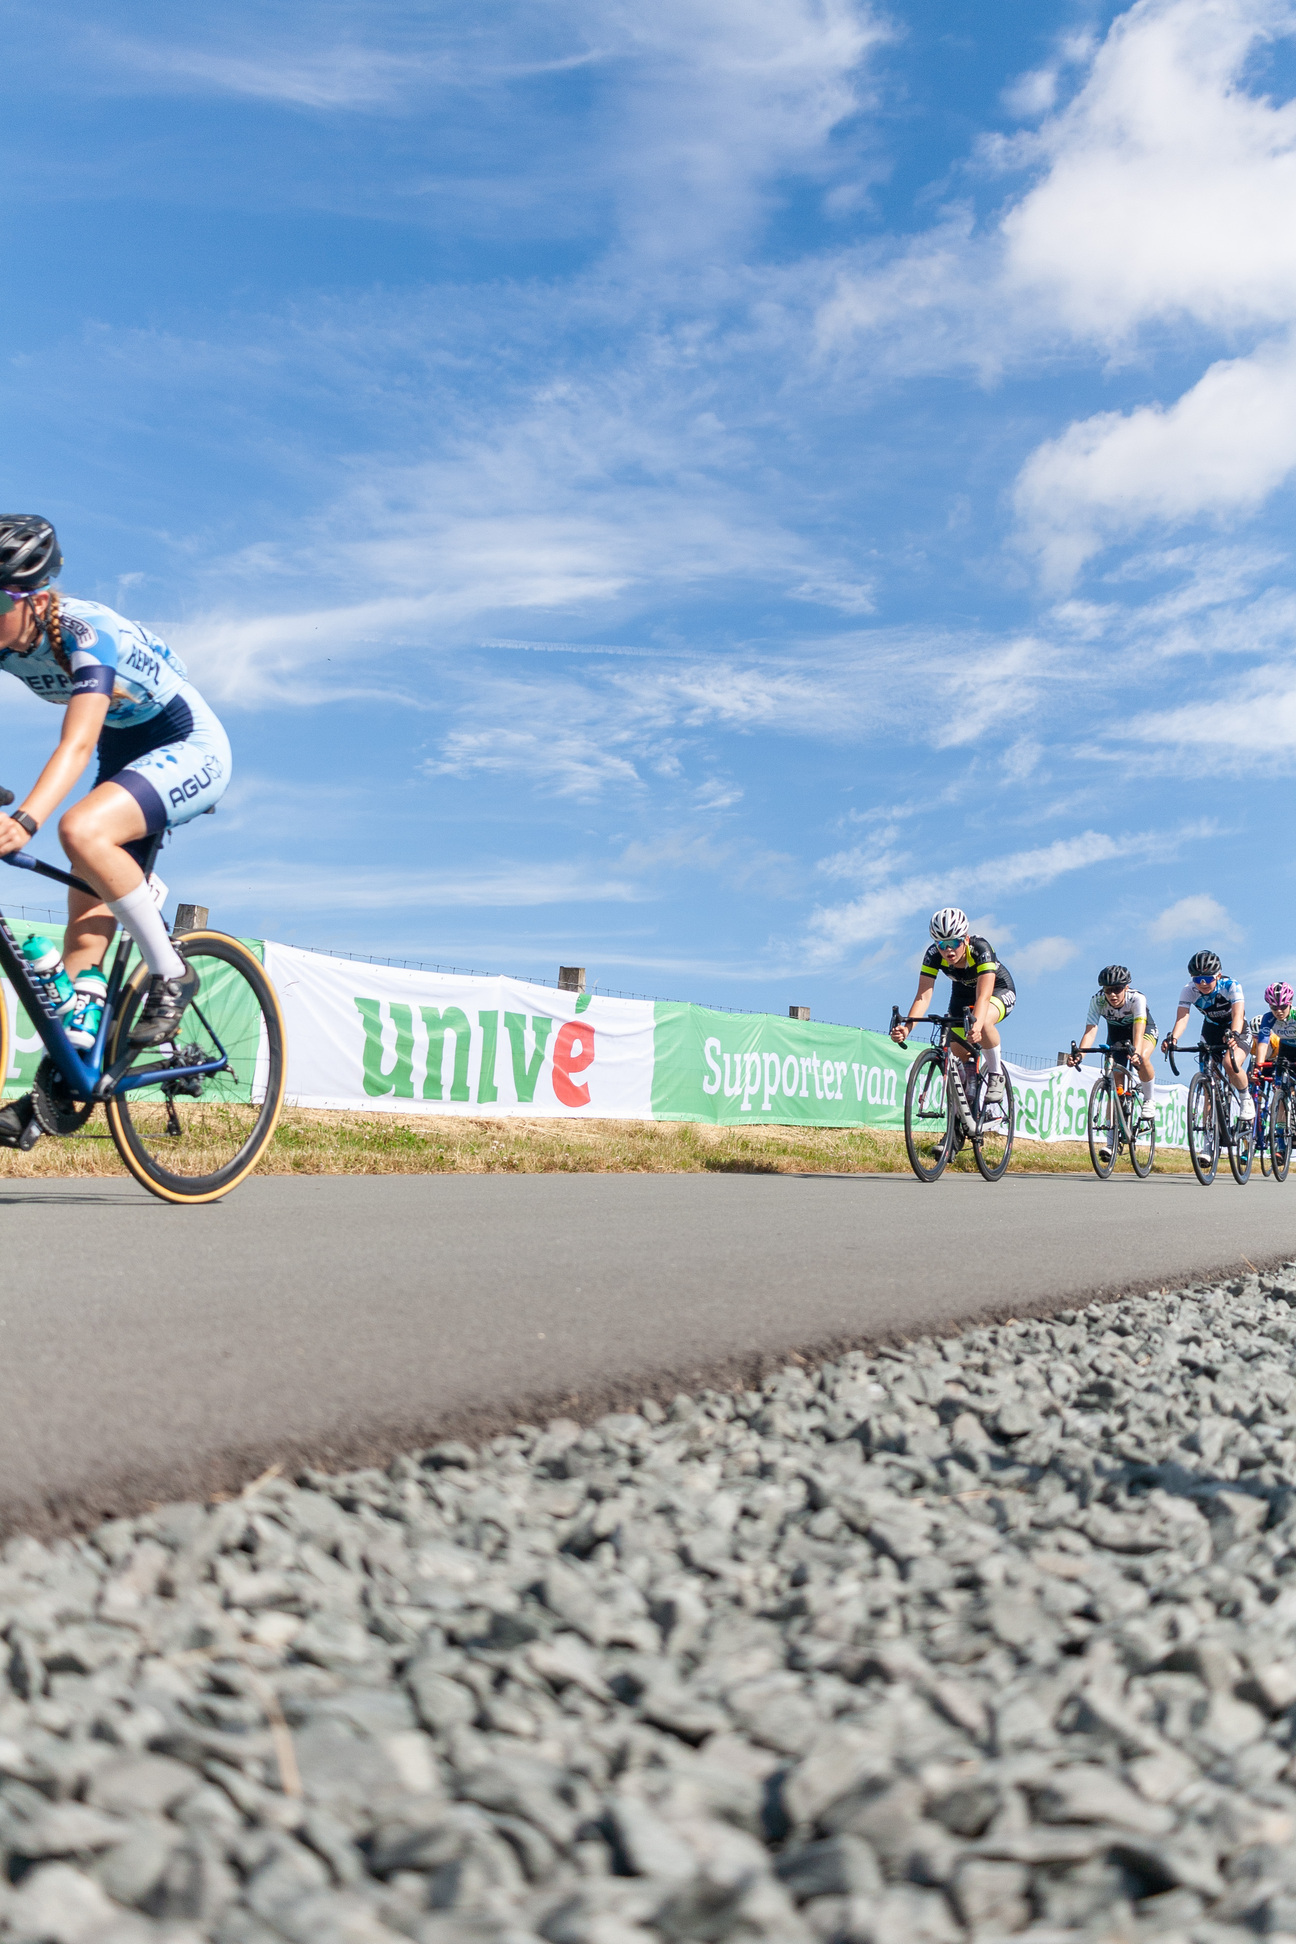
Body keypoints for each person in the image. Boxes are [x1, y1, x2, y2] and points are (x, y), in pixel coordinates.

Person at [0, 515, 231, 1147]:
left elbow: (75, 744)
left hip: (187, 743)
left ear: (36, 597)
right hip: (122, 756)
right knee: (81, 956)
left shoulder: (86, 630)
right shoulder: (5, 639)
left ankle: (172, 970)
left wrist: (24, 819)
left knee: (78, 828)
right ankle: (59, 1095)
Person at [891, 906, 1016, 1104]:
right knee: (959, 1050)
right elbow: (923, 995)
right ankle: (962, 1122)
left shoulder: (980, 948)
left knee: (983, 1024)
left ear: (965, 939)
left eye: (954, 942)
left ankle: (995, 1074)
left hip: (996, 989)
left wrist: (976, 1025)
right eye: (942, 943)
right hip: (962, 993)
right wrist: (907, 1028)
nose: (948, 950)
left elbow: (983, 997)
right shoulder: (932, 955)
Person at [1162, 949, 1253, 1121]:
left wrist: (1234, 1034)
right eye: (1197, 979)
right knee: (1207, 1082)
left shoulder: (1231, 985)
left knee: (1229, 1063)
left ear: (1218, 975)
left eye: (1208, 978)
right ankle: (1207, 1140)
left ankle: (1245, 1098)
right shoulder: (1188, 990)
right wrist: (1173, 1038)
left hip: (1236, 1027)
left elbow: (1238, 1015)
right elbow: (1182, 1018)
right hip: (1211, 1030)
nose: (1203, 983)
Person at [1066, 965, 1157, 1123]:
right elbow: (1091, 1031)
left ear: (1126, 988)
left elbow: (1139, 1028)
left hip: (1142, 1029)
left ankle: (1149, 1099)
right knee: (1116, 1084)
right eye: (1108, 990)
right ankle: (1111, 1142)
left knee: (1142, 1057)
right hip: (1117, 1034)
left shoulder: (1136, 998)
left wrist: (1135, 1053)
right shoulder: (1097, 1001)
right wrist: (1080, 1055)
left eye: (1117, 989)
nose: (1113, 995)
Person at [1251, 982, 1296, 1092]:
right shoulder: (1268, 1018)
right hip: (1285, 1048)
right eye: (1274, 1008)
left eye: (1283, 1006)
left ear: (1290, 1003)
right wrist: (1258, 1067)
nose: (1279, 1011)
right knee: (1282, 1088)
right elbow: (1262, 1043)